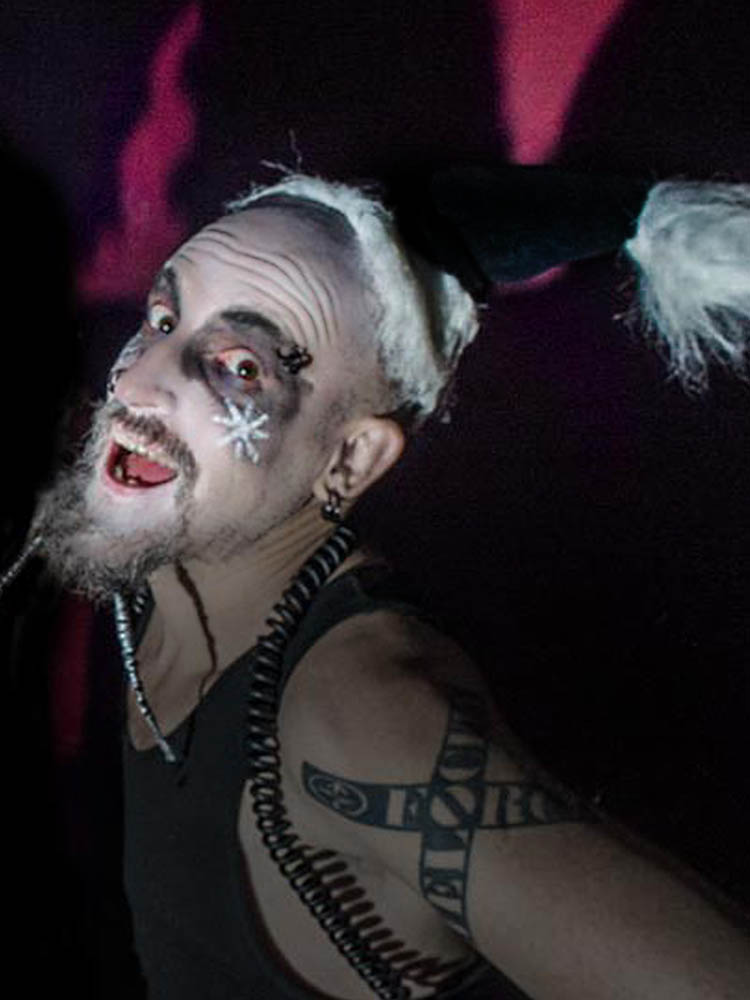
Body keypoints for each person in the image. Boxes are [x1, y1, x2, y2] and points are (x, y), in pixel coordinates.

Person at [9, 171, 750, 1000]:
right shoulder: (170, 537)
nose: (140, 382)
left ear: (351, 460)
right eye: (161, 320)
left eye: (241, 367)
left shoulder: (361, 714)